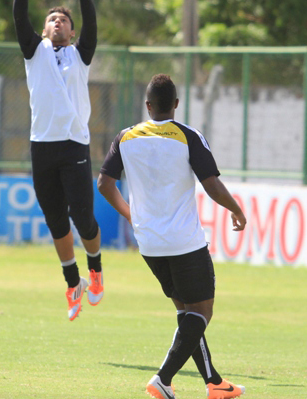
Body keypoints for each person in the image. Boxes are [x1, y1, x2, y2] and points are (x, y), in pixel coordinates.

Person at [97, 74, 248, 399]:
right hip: (183, 241)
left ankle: (214, 382)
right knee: (201, 312)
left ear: (148, 105)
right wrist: (236, 209)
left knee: (185, 312)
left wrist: (130, 214)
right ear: (177, 104)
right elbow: (211, 184)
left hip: (149, 242)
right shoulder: (188, 136)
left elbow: (104, 184)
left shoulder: (126, 137)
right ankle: (162, 379)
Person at [12, 0, 103, 321]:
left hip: (74, 145)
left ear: (72, 30)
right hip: (42, 146)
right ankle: (72, 282)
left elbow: (92, 26)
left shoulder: (80, 55)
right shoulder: (35, 53)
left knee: (83, 216)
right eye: (51, 19)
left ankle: (95, 272)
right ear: (44, 29)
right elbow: (19, 19)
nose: (57, 23)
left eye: (63, 20)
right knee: (55, 221)